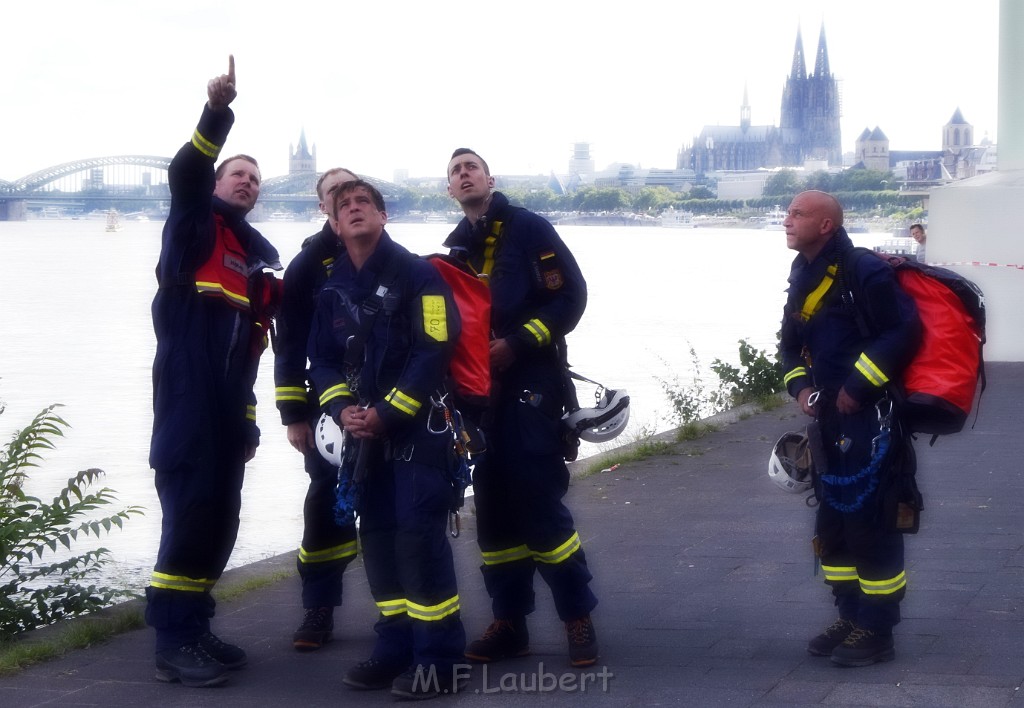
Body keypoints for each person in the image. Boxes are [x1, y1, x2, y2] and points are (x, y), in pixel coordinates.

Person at [147, 56, 282, 687]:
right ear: (218, 183)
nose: (248, 183)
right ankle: (172, 638)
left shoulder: (252, 263)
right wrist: (217, 113)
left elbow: (250, 356)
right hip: (185, 399)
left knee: (222, 517)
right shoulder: (194, 226)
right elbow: (186, 169)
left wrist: (249, 421)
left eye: (256, 180)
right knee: (191, 511)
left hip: (228, 409)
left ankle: (196, 625)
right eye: (239, 174)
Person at [308, 180, 468, 699]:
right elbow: (322, 360)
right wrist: (342, 409)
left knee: (417, 541)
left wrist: (386, 413)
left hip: (418, 432)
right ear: (333, 225)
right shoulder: (332, 286)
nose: (352, 210)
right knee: (376, 543)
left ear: (383, 215)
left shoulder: (419, 275)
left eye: (362, 204)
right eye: (342, 206)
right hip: (363, 438)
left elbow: (434, 350)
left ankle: (441, 660)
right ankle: (395, 646)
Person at [443, 148, 599, 668]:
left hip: (531, 377)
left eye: (472, 167)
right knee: (491, 503)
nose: (464, 174)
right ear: (450, 190)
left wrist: (516, 342)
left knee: (535, 492)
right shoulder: (454, 252)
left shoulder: (528, 228)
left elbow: (569, 298)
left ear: (490, 179)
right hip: (478, 392)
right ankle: (510, 622)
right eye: (455, 171)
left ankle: (577, 616)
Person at [779, 190, 922, 667]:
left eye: (797, 213)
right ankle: (851, 614)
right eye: (788, 212)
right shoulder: (803, 274)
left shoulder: (865, 270)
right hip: (828, 420)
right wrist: (802, 391)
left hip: (871, 419)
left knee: (873, 520)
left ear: (826, 225)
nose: (786, 219)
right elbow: (788, 347)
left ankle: (878, 630)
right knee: (834, 520)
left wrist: (860, 386)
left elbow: (903, 331)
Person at [274, 167, 361, 651]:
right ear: (322, 205)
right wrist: (294, 416)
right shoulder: (307, 265)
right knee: (326, 503)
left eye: (352, 191)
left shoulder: (390, 258)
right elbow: (287, 344)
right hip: (326, 404)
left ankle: (406, 613)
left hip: (385, 404)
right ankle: (319, 608)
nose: (345, 200)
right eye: (335, 194)